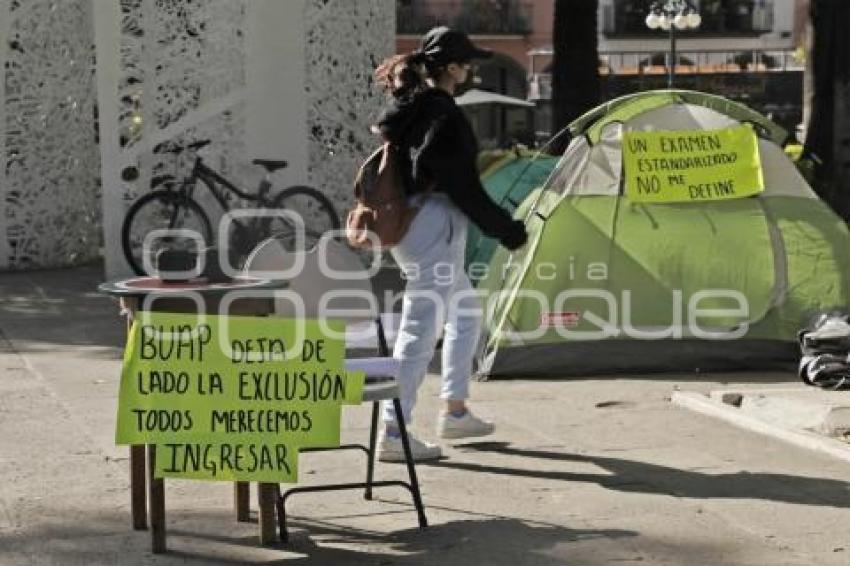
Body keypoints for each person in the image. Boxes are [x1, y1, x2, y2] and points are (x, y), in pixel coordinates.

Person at [372, 27, 528, 462]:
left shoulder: (413, 105)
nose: (472, 71)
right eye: (468, 64)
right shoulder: (441, 112)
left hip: (416, 223)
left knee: (465, 313)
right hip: (435, 226)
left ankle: (455, 409)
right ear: (453, 67)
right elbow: (461, 183)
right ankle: (392, 432)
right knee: (420, 330)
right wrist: (505, 228)